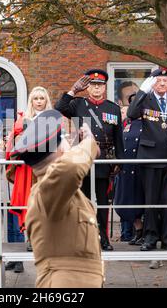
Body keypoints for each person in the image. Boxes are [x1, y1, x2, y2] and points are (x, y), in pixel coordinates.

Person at [11, 109, 103, 287]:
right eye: (65, 141)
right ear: (60, 150)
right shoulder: (48, 190)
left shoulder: (57, 190)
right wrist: (89, 142)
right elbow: (70, 168)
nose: (70, 144)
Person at [55, 69, 124, 251]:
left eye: (99, 85)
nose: (96, 88)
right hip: (82, 157)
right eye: (93, 85)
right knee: (82, 200)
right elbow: (59, 108)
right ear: (87, 88)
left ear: (104, 87)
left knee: (102, 202)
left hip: (103, 159)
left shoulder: (113, 108)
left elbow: (119, 139)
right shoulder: (78, 104)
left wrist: (119, 161)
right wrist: (72, 91)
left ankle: (103, 239)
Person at [127, 68, 167, 251]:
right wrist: (143, 91)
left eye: (165, 81)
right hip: (151, 158)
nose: (162, 83)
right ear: (153, 83)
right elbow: (131, 113)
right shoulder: (145, 100)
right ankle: (150, 237)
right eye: (158, 80)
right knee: (151, 200)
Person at [5, 86, 53, 271]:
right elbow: (14, 144)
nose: (39, 101)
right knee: (28, 203)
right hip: (27, 169)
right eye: (36, 98)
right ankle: (32, 238)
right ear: (31, 101)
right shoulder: (22, 120)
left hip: (45, 167)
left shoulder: (53, 119)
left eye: (42, 98)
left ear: (46, 100)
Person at [115, 92, 144, 245]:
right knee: (123, 202)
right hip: (125, 170)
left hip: (140, 170)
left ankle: (143, 232)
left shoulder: (147, 124)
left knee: (140, 203)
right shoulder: (126, 124)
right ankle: (138, 229)